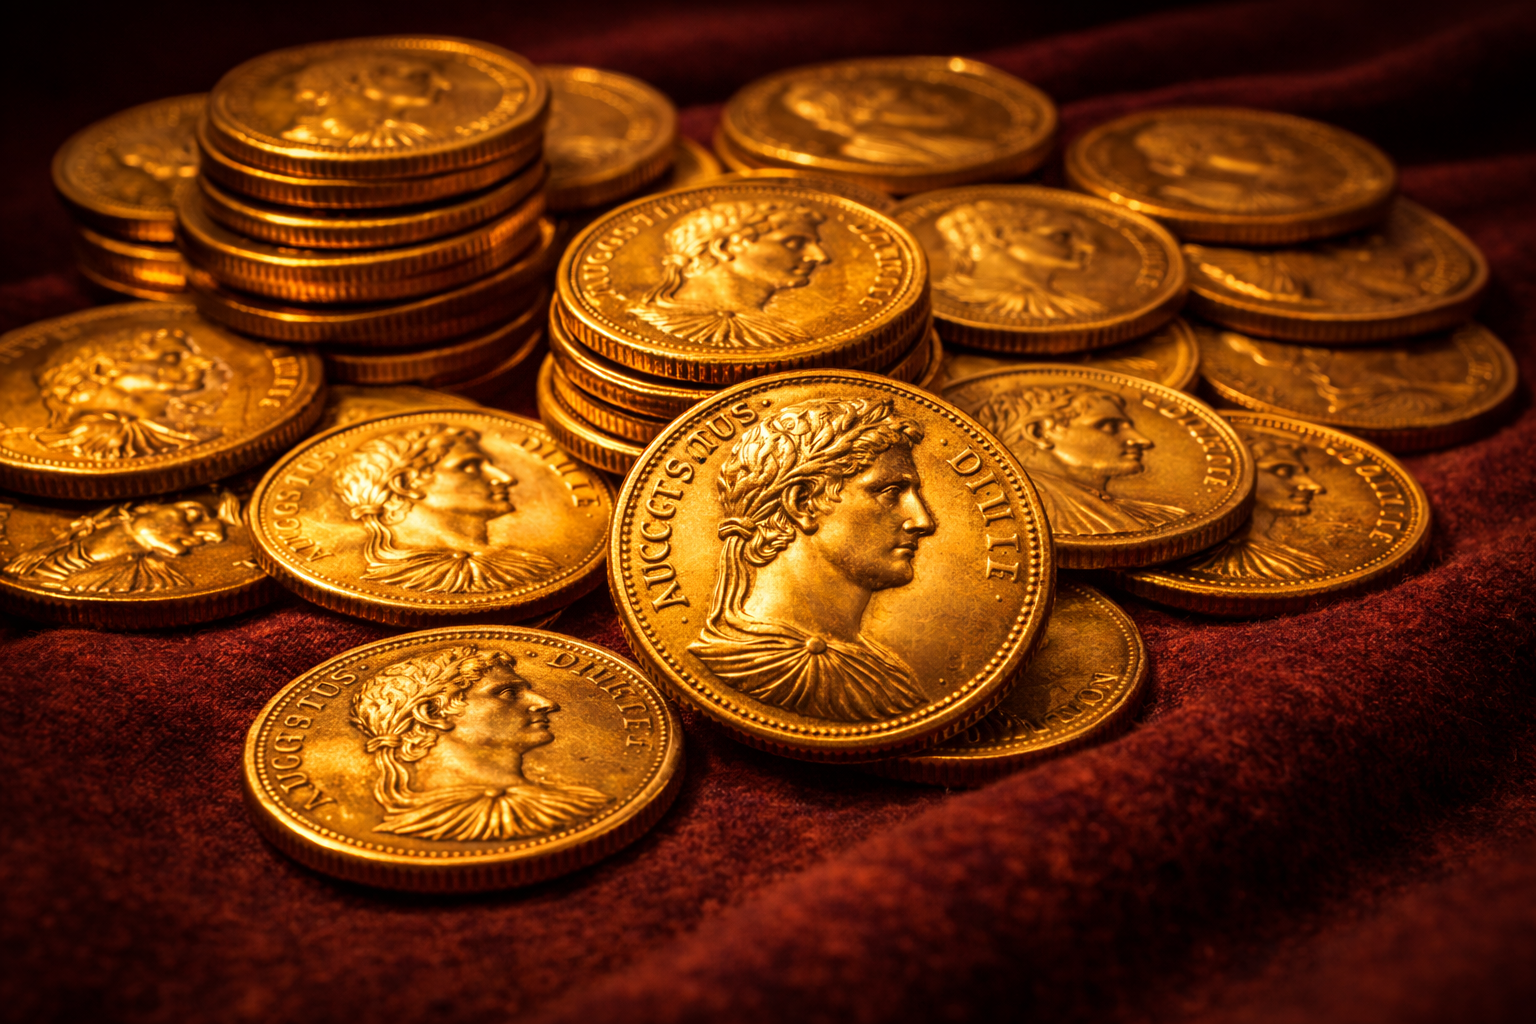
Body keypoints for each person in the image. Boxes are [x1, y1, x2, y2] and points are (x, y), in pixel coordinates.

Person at [689, 397, 934, 722]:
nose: (923, 521)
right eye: (890, 492)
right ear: (801, 503)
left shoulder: (885, 675)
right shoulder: (750, 662)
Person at [349, 646, 608, 843]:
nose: (545, 703)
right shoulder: (401, 828)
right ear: (432, 713)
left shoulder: (584, 802)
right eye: (508, 693)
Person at [331, 424, 559, 594]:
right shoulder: (387, 574)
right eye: (469, 466)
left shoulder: (534, 568)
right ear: (406, 484)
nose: (505, 478)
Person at [967, 383, 1187, 536]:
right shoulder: (1019, 509)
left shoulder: (1157, 516)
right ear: (1039, 433)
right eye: (1110, 426)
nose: (1142, 440)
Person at [628, 200, 829, 348]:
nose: (819, 256)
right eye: (795, 242)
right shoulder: (647, 321)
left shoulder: (788, 335)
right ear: (723, 246)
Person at [30, 326, 228, 461]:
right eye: (172, 357)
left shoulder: (193, 432)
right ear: (103, 368)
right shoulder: (83, 439)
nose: (205, 363)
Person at [2, 491, 241, 594]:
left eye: (206, 537)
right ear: (142, 507)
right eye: (194, 515)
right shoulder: (31, 562)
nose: (211, 536)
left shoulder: (154, 582)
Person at [1187, 432, 1329, 579]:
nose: (1314, 486)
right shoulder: (1190, 552)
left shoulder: (1306, 564)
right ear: (1238, 473)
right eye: (1284, 471)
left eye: (1302, 473)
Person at [933, 200, 1106, 318]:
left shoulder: (1079, 307)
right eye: (1061, 236)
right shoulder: (968, 298)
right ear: (999, 234)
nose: (1088, 247)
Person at [780, 78, 994, 166]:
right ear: (865, 110)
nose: (936, 97)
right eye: (906, 96)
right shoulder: (877, 151)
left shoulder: (969, 145)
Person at [1132, 120, 1313, 213]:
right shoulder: (1179, 198)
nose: (1268, 149)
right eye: (1238, 139)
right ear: (1191, 149)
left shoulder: (1283, 198)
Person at [279, 55, 453, 150]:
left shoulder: (423, 136)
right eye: (418, 77)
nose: (444, 84)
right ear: (365, 80)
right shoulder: (305, 138)